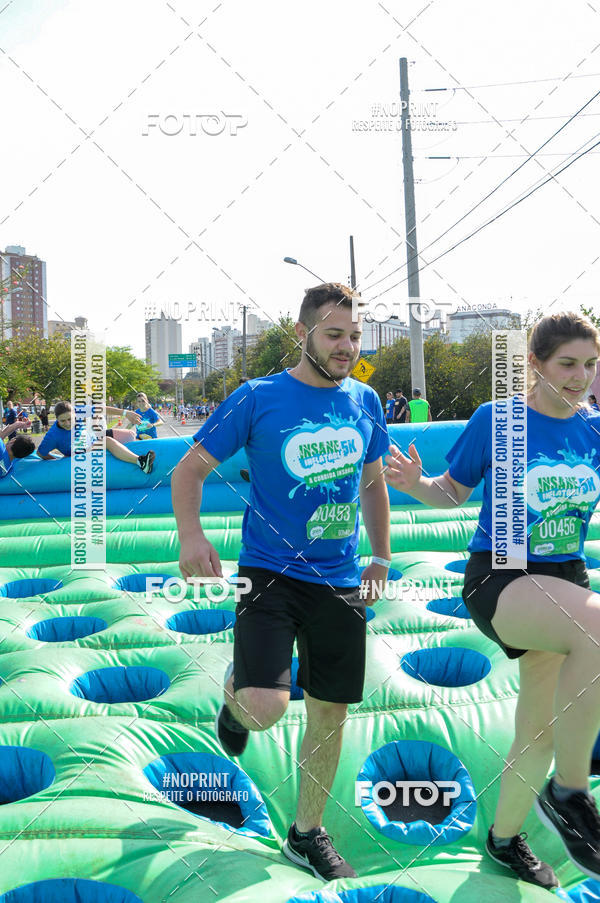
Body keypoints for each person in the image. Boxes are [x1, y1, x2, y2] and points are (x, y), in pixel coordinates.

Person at [172, 282, 391, 881]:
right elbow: (188, 470)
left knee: (328, 712)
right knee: (266, 706)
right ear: (302, 333)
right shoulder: (258, 397)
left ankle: (307, 833)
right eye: (333, 334)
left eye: (353, 335)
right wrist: (192, 536)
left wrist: (381, 557)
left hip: (342, 580)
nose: (346, 346)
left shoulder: (365, 401)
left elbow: (373, 482)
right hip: (269, 574)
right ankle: (236, 701)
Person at [384, 311, 600, 890]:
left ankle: (504, 840)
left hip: (564, 579)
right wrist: (413, 485)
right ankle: (571, 793)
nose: (580, 377)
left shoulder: (593, 430)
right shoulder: (499, 420)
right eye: (567, 364)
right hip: (501, 579)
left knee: (537, 733)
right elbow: (451, 491)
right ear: (534, 363)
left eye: (589, 364)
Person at [37, 401, 155, 473]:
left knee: (129, 435)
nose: (67, 423)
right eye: (63, 421)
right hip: (78, 453)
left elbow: (102, 409)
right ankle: (140, 462)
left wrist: (126, 413)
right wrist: (58, 461)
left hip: (90, 441)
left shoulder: (78, 411)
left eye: (70, 419)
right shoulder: (52, 436)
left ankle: (137, 452)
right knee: (107, 441)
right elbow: (40, 453)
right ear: (56, 419)